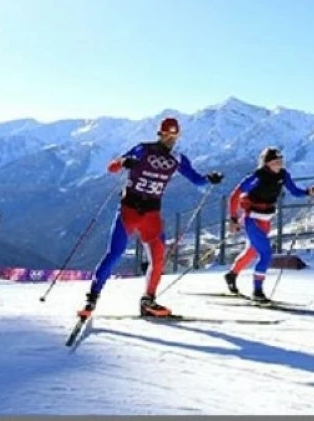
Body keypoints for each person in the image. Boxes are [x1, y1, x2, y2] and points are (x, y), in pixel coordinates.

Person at [79, 117, 223, 319]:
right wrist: (123, 162)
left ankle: (148, 300)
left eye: (174, 135)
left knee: (158, 257)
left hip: (151, 215)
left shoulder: (178, 159)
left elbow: (197, 181)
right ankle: (92, 298)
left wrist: (210, 178)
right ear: (159, 133)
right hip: (128, 211)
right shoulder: (142, 149)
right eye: (166, 134)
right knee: (115, 254)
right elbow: (111, 168)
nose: (170, 139)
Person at [224, 147, 314, 302]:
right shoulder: (257, 177)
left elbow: (294, 191)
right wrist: (233, 219)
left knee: (252, 252)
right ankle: (258, 291)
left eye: (281, 161)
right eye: (275, 162)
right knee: (266, 254)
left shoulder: (283, 175)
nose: (279, 164)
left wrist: (307, 192)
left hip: (266, 220)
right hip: (252, 219)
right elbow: (234, 196)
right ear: (266, 163)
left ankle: (231, 275)